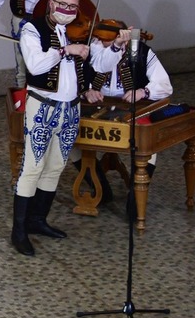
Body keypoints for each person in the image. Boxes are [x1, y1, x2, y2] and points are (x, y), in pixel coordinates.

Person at [12, 0, 127, 256]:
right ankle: (19, 230)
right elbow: (36, 64)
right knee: (32, 167)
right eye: (63, 5)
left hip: (70, 109)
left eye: (73, 7)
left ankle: (39, 220)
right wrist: (65, 50)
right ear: (52, 3)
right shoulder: (32, 28)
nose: (67, 10)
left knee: (55, 167)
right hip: (42, 106)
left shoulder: (80, 33)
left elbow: (99, 65)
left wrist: (115, 47)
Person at [73, 25, 174, 201]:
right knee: (68, 135)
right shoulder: (90, 48)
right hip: (96, 110)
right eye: (103, 42)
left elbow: (165, 85)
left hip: (129, 111)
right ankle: (99, 186)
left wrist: (143, 92)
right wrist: (85, 91)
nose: (106, 46)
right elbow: (70, 81)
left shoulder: (141, 51)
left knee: (146, 141)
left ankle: (135, 196)